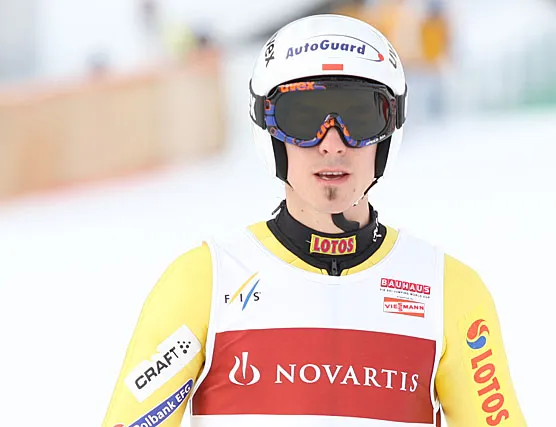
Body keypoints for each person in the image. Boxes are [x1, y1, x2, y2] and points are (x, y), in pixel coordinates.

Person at [101, 14, 527, 427]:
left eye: (360, 117)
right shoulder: (203, 284)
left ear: (391, 127)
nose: (332, 143)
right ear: (268, 130)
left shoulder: (448, 292)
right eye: (303, 118)